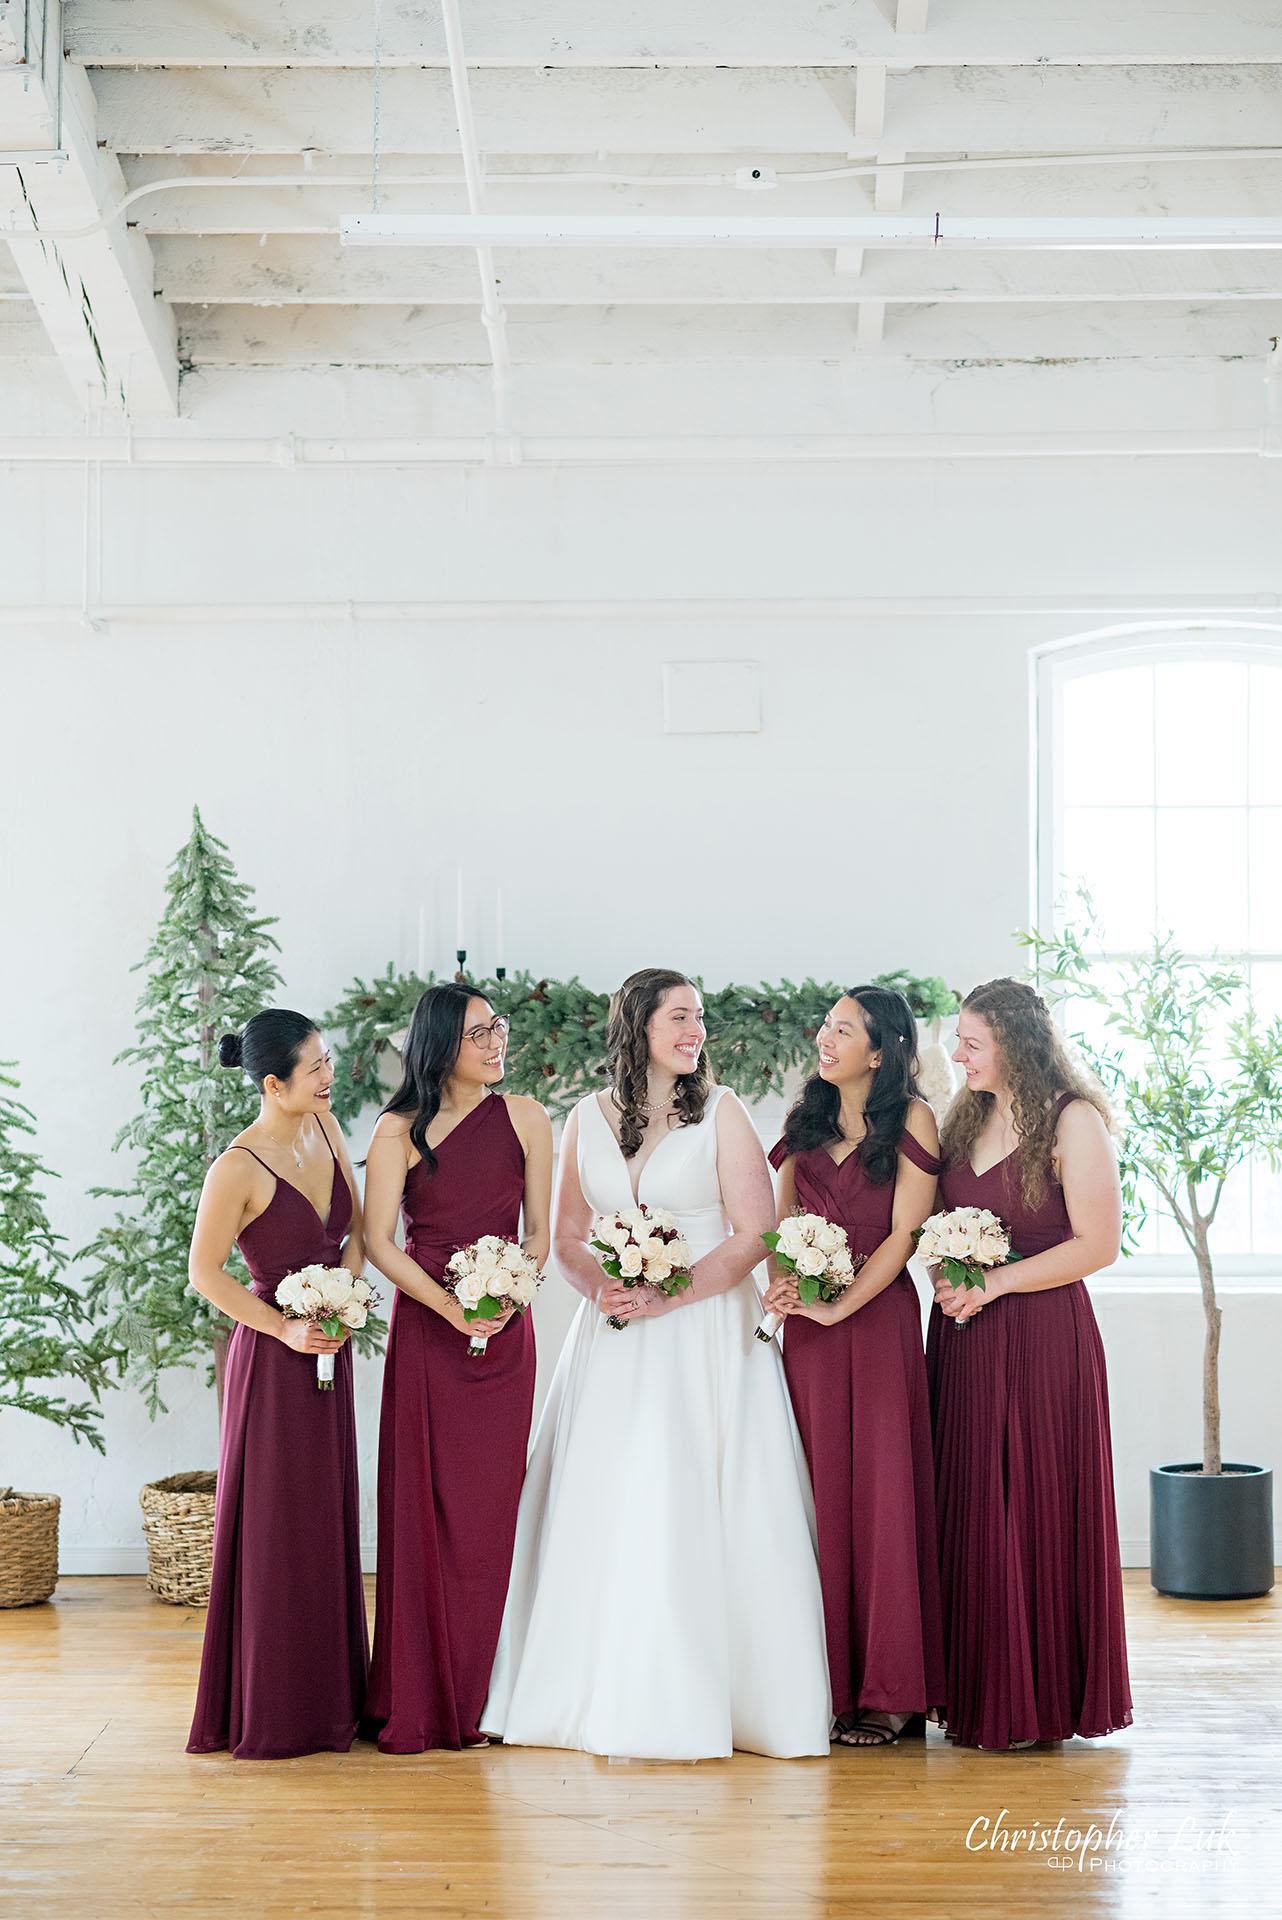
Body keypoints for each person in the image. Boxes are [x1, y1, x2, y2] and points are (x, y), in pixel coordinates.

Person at [481, 968, 831, 1761]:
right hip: (612, 1340)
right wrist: (601, 1287)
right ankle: (588, 1687)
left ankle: (727, 1698)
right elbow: (567, 1233)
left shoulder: (723, 1112)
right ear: (638, 1026)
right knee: (608, 1496)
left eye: (698, 1017)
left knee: (696, 1494)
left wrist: (671, 1298)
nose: (693, 1031)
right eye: (678, 1017)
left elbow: (752, 1232)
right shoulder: (586, 1117)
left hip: (703, 1335)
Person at [927, 977, 1132, 1749]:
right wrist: (948, 1278)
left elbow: (1097, 1245)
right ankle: (978, 1693)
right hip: (965, 1341)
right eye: (959, 1040)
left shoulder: (1071, 1121)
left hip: (1045, 1338)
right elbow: (942, 1224)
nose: (958, 1054)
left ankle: (1042, 1702)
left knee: (1036, 1505)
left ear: (1015, 1044)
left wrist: (997, 1282)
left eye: (972, 1043)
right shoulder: (964, 1117)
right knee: (974, 1503)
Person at [360, 983, 552, 1753]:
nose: (496, 1043)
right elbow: (379, 1242)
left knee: (490, 1512)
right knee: (423, 1511)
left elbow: (538, 1231)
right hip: (429, 1335)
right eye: (479, 1033)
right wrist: (450, 1308)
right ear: (439, 1045)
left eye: (498, 1029)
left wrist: (509, 1292)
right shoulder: (396, 1130)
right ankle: (419, 1694)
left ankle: (490, 1691)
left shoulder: (529, 1117)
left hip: (507, 1333)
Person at [762, 985, 946, 1746]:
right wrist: (782, 1284)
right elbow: (776, 1226)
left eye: (842, 1030)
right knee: (814, 1496)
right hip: (807, 1333)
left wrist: (843, 1305)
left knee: (882, 1498)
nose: (824, 1040)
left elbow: (906, 1234)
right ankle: (827, 1684)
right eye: (826, 1027)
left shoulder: (913, 1120)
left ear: (881, 1049)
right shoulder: (800, 1124)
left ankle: (891, 1691)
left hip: (878, 1330)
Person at [186, 1010, 368, 1759]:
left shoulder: (326, 1129)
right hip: (272, 1363)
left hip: (330, 1347)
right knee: (274, 1531)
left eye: (329, 1060)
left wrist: (344, 1301)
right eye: (317, 1068)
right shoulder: (236, 1167)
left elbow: (353, 1235)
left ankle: (332, 1705)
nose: (331, 1077)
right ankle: (273, 1709)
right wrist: (287, 1328)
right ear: (272, 1083)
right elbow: (206, 1274)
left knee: (325, 1521)